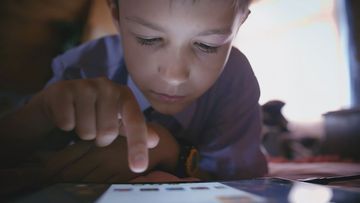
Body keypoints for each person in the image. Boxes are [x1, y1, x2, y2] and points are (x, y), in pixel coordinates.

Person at [0, 0, 267, 187]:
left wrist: (171, 150)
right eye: (148, 38)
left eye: (207, 45)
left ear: (240, 22)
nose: (174, 75)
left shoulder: (235, 80)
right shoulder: (82, 66)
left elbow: (248, 179)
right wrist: (40, 113)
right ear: (115, 15)